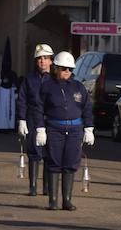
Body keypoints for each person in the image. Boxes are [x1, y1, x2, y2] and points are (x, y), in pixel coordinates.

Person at [30, 50, 94, 211]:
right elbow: (38, 108)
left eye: (70, 69)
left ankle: (67, 200)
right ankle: (52, 201)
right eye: (64, 68)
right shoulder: (47, 86)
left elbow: (86, 108)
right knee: (54, 162)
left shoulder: (78, 87)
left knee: (71, 162)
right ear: (56, 68)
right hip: (54, 128)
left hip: (75, 129)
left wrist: (89, 128)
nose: (67, 72)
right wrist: (40, 129)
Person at [17, 45, 54, 196]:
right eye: (39, 58)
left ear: (51, 61)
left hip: (51, 119)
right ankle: (32, 187)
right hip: (32, 118)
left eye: (45, 58)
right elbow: (22, 99)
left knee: (49, 153)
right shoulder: (29, 79)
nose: (42, 61)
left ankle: (46, 188)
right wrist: (22, 119)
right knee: (34, 151)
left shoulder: (55, 79)